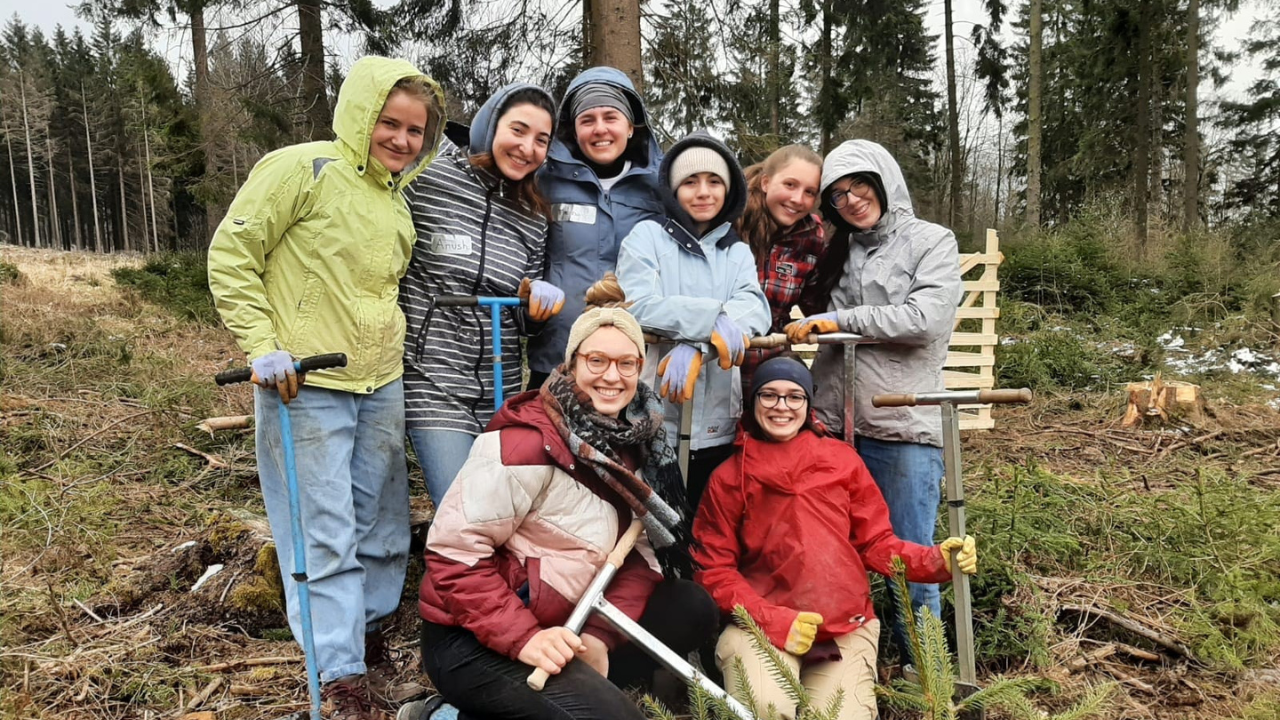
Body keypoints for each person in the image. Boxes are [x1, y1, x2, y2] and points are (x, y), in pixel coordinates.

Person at [207, 56, 444, 719]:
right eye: (388, 123)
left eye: (414, 130)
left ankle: (367, 640)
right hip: (305, 382)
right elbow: (233, 254)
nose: (400, 139)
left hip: (380, 382)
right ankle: (339, 678)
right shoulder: (300, 169)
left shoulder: (397, 203)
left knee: (384, 524)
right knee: (323, 532)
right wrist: (262, 346)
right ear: (360, 115)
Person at [398, 278, 716, 720]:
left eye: (626, 363)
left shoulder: (639, 443)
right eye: (597, 360)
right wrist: (527, 638)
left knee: (690, 607)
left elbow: (642, 560)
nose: (612, 376)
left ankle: (567, 696)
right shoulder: (524, 442)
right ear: (570, 364)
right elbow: (453, 555)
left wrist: (601, 637)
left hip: (572, 615)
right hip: (474, 635)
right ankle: (446, 715)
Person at [692, 356, 978, 720]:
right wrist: (775, 621)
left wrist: (937, 561)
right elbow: (713, 570)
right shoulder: (729, 477)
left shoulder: (842, 461)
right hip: (761, 628)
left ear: (809, 403)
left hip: (845, 629)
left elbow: (876, 543)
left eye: (794, 396)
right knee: (764, 709)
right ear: (753, 403)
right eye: (769, 395)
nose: (782, 406)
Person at [785, 139, 963, 662]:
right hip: (834, 430)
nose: (851, 200)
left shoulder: (932, 241)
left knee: (910, 559)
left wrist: (841, 322)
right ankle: (849, 667)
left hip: (902, 428)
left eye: (859, 185)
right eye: (837, 195)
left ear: (883, 180)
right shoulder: (837, 251)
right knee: (832, 554)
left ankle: (925, 673)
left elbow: (923, 319)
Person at [400, 83, 566, 505]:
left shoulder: (533, 214)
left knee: (503, 510)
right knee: (461, 508)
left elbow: (525, 323)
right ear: (489, 125)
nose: (527, 148)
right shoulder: (427, 178)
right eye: (518, 130)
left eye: (541, 140)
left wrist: (538, 305)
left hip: (501, 389)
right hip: (432, 381)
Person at [616, 130, 771, 510]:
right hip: (654, 411)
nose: (703, 192)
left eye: (714, 181)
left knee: (707, 525)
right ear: (672, 189)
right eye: (690, 182)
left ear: (729, 189)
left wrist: (698, 343)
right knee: (655, 526)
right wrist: (710, 318)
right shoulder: (647, 237)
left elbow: (755, 307)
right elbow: (636, 303)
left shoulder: (735, 251)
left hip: (717, 417)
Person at [526, 67, 665, 391]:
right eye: (587, 120)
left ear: (630, 126)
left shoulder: (661, 189)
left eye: (610, 117)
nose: (600, 129)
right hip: (557, 357)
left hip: (630, 359)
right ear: (573, 130)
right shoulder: (545, 182)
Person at [733, 144, 828, 394]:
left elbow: (817, 304)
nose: (798, 199)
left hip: (771, 363)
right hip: (722, 356)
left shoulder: (811, 237)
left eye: (809, 192)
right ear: (766, 182)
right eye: (790, 185)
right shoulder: (730, 221)